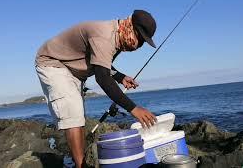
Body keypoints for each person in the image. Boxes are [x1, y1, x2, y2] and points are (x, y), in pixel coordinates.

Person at [35, 10, 157, 168]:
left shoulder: (118, 35)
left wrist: (120, 77)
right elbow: (102, 78)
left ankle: (79, 162)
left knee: (79, 117)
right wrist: (133, 108)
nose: (139, 45)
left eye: (143, 42)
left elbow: (101, 62)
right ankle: (81, 166)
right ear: (130, 27)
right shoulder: (104, 35)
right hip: (53, 62)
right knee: (73, 112)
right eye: (140, 39)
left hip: (72, 69)